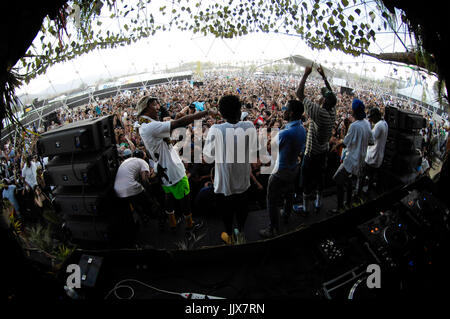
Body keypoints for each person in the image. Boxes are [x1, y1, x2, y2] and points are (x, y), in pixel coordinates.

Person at [137, 95, 213, 233]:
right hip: (172, 169)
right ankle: (189, 225)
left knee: (169, 197)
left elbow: (162, 143)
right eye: (155, 105)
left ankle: (172, 223)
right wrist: (205, 113)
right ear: (147, 108)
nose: (158, 108)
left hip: (163, 169)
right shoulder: (151, 126)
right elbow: (179, 124)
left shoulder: (143, 126)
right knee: (185, 197)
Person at [203, 94, 257, 244]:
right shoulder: (249, 126)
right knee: (242, 209)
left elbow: (208, 157)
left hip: (224, 184)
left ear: (221, 113)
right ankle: (240, 233)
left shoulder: (216, 129)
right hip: (244, 180)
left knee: (226, 212)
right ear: (239, 111)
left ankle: (229, 236)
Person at [259, 99, 306, 238]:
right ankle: (286, 214)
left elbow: (270, 148)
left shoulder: (285, 133)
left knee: (271, 200)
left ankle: (272, 228)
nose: (283, 111)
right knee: (289, 193)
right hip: (293, 168)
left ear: (291, 113)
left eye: (285, 109)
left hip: (280, 171)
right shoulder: (302, 129)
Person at [295, 64, 337, 214]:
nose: (321, 96)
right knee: (320, 178)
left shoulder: (319, 113)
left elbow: (299, 94)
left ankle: (306, 208)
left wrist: (306, 74)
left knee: (306, 179)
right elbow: (332, 95)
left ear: (324, 102)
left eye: (322, 96)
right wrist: (324, 78)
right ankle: (319, 202)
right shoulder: (332, 111)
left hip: (312, 153)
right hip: (323, 151)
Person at [331, 99, 374, 214]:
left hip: (351, 159)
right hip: (361, 160)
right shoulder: (367, 124)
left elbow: (345, 143)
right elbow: (371, 142)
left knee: (337, 179)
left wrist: (336, 145)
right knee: (349, 181)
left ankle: (340, 207)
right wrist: (361, 141)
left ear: (354, 111)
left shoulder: (354, 126)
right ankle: (348, 204)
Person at [114, 149, 165, 230]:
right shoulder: (142, 162)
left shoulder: (127, 161)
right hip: (131, 186)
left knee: (135, 202)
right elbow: (144, 179)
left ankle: (143, 217)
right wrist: (149, 191)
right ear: (143, 157)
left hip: (117, 190)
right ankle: (160, 220)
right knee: (149, 202)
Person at [356, 107, 388, 196]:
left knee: (362, 175)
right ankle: (367, 193)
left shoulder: (378, 126)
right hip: (378, 157)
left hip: (372, 157)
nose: (370, 119)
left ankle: (358, 194)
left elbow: (370, 141)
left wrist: (368, 126)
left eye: (371, 117)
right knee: (370, 178)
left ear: (376, 116)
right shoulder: (385, 123)